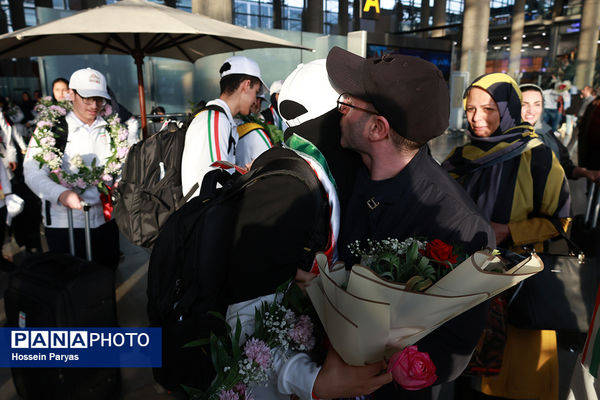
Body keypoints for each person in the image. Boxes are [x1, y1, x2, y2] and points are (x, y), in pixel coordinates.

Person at [326, 46, 495, 399]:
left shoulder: (458, 225)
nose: (339, 110)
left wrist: (380, 368)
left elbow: (454, 349)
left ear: (377, 128)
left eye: (349, 102)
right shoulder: (343, 171)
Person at [443, 73, 571, 400]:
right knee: (466, 378)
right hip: (467, 284)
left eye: (488, 109)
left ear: (508, 108)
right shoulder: (461, 157)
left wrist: (508, 231)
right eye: (470, 109)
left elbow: (561, 220)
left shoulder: (538, 156)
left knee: (513, 382)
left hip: (518, 288)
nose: (476, 118)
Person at [24, 67, 121, 269]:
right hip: (65, 223)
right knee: (71, 286)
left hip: (104, 220)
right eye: (87, 98)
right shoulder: (51, 127)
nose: (94, 105)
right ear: (72, 94)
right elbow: (31, 171)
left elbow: (119, 164)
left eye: (99, 99)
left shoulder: (111, 127)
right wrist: (61, 194)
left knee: (104, 279)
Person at [181, 55, 265, 199]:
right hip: (202, 216)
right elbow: (212, 182)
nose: (254, 100)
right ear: (246, 85)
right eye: (256, 92)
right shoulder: (215, 120)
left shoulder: (220, 119)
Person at [520, 83, 600, 182]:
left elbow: (563, 164)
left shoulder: (546, 132)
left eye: (537, 104)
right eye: (524, 104)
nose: (531, 110)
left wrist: (584, 172)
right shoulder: (506, 138)